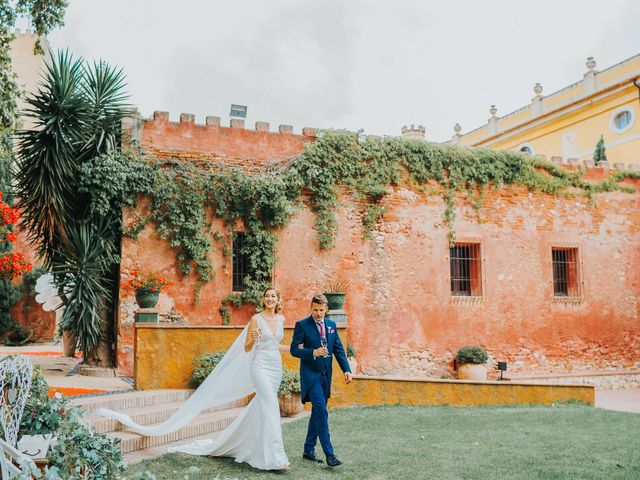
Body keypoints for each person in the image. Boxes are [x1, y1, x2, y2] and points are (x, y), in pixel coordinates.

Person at [99, 287, 290, 471]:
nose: (270, 299)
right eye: (267, 296)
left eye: (273, 296)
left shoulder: (281, 319)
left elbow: (275, 345)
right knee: (271, 405)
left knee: (263, 407)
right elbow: (247, 348)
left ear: (278, 299)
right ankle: (276, 456)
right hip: (260, 367)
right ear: (264, 299)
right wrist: (253, 339)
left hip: (275, 368)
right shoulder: (256, 320)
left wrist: (300, 351)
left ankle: (248, 445)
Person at [290, 293, 352, 467]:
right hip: (311, 377)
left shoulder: (331, 325)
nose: (318, 313)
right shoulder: (302, 325)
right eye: (315, 310)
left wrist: (347, 370)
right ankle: (330, 455)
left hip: (326, 376)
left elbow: (338, 350)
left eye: (321, 310)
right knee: (322, 411)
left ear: (326, 310)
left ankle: (308, 449)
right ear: (311, 308)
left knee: (318, 412)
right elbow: (294, 350)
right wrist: (312, 353)